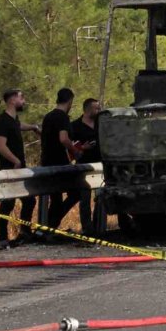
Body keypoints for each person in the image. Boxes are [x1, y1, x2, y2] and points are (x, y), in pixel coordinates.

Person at [0, 89, 41, 247]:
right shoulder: (2, 121)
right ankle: (2, 239)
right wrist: (15, 161)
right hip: (9, 168)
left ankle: (25, 233)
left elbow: (19, 125)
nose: (24, 101)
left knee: (29, 201)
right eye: (22, 98)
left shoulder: (13, 120)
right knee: (8, 204)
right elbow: (0, 145)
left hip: (19, 168)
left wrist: (33, 127)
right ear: (12, 100)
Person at [41, 88, 87, 232]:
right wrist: (75, 152)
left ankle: (48, 228)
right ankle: (49, 225)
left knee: (56, 198)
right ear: (70, 101)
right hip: (59, 162)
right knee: (75, 193)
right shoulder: (62, 117)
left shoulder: (48, 116)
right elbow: (63, 139)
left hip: (46, 160)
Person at [70, 98, 101, 235]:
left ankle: (99, 226)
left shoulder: (101, 123)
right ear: (87, 109)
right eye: (96, 108)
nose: (99, 111)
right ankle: (87, 229)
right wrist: (83, 147)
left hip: (100, 165)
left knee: (101, 198)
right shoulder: (75, 126)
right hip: (84, 165)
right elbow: (69, 147)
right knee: (85, 199)